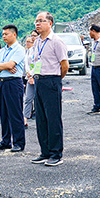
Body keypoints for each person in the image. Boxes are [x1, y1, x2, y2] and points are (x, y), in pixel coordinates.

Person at [30, 12, 69, 167]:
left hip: (52, 80)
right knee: (41, 118)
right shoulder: (37, 42)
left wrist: (56, 80)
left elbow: (64, 65)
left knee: (53, 118)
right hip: (39, 80)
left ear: (50, 23)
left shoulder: (56, 42)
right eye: (36, 21)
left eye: (41, 21)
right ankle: (44, 151)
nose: (38, 23)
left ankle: (55, 153)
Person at [0, 24, 26, 152]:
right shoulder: (2, 50)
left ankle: (18, 142)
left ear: (14, 34)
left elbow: (11, 64)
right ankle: (5, 141)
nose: (4, 36)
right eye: (3, 34)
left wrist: (2, 65)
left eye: (6, 34)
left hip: (13, 82)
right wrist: (3, 66)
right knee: (4, 113)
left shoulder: (19, 49)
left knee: (15, 113)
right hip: (2, 82)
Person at [23, 31, 38, 126]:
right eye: (32, 36)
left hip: (38, 77)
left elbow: (39, 63)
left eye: (35, 36)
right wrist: (29, 74)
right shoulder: (30, 50)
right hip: (30, 77)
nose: (33, 38)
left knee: (39, 100)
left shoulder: (40, 49)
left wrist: (32, 75)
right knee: (28, 98)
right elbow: (27, 63)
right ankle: (24, 120)